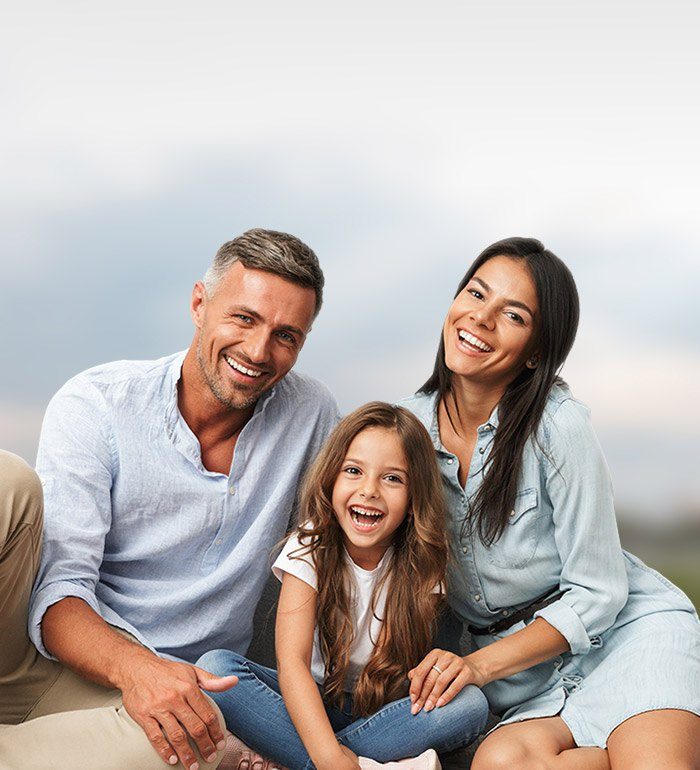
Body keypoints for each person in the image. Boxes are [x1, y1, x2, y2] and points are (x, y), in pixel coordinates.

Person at [0, 229, 340, 770]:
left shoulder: (311, 415)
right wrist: (138, 668)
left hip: (165, 695)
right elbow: (59, 592)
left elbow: (342, 543)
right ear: (199, 303)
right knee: (5, 478)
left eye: (286, 336)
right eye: (244, 318)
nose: (258, 352)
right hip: (36, 654)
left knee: (184, 742)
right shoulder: (98, 403)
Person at [399, 238, 700, 769]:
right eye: (475, 293)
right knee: (497, 764)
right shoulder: (407, 430)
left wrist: (476, 667)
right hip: (526, 676)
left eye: (513, 315)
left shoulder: (559, 426)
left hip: (625, 635)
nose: (481, 319)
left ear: (538, 350)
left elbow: (601, 590)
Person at [197, 402, 489, 770]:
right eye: (353, 471)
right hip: (310, 702)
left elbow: (401, 675)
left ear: (414, 497)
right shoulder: (309, 547)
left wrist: (333, 753)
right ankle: (363, 765)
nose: (369, 490)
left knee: (470, 704)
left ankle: (301, 760)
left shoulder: (426, 560)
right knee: (216, 669)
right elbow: (293, 666)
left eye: (392, 478)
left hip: (386, 714)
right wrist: (330, 756)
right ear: (331, 479)